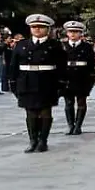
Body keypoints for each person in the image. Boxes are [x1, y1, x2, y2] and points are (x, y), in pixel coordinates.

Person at [9, 14, 66, 152]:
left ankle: (43, 141)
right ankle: (32, 140)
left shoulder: (55, 45)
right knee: (31, 113)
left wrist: (62, 84)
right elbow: (13, 66)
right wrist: (13, 82)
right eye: (34, 27)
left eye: (41, 27)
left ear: (47, 29)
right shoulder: (21, 45)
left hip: (47, 82)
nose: (37, 29)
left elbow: (62, 67)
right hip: (26, 82)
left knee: (45, 112)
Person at [61, 21, 95, 135]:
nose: (73, 34)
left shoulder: (86, 47)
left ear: (80, 33)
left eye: (76, 32)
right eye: (71, 32)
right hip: (67, 78)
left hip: (82, 78)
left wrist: (91, 80)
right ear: (67, 33)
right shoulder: (62, 46)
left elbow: (91, 65)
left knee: (81, 102)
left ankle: (78, 125)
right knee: (68, 103)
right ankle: (70, 125)